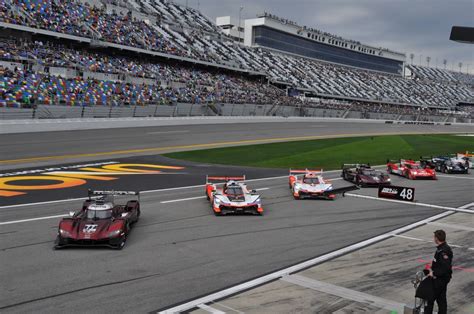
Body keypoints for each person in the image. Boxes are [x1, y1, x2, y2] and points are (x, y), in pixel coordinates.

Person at [424, 229, 453, 314]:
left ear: (437, 238)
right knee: (441, 300)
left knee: (429, 298)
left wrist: (433, 273)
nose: (433, 239)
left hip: (439, 279)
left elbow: (445, 268)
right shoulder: (443, 248)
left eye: (434, 237)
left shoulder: (443, 251)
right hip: (442, 279)